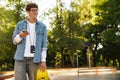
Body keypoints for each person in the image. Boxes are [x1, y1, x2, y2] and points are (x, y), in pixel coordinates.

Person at [12, 2, 47, 80]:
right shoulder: (20, 24)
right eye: (33, 10)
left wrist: (43, 61)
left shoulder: (43, 26)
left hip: (35, 59)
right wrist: (20, 36)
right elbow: (14, 41)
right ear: (27, 12)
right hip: (20, 59)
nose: (35, 12)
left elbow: (44, 46)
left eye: (36, 10)